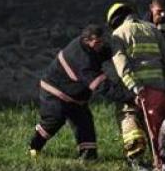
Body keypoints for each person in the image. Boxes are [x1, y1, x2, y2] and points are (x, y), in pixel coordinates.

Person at [28, 24, 132, 159]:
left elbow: (105, 51)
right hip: (54, 93)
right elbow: (102, 86)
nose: (100, 45)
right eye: (97, 43)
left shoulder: (91, 46)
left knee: (85, 125)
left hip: (75, 97)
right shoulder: (83, 60)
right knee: (54, 121)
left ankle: (88, 158)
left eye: (101, 41)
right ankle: (33, 148)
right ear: (86, 40)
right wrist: (127, 96)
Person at [106, 1, 165, 167]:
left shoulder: (118, 34)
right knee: (156, 130)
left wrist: (134, 87)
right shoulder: (153, 29)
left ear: (115, 20)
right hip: (160, 90)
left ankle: (136, 157)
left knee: (126, 114)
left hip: (139, 90)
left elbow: (122, 66)